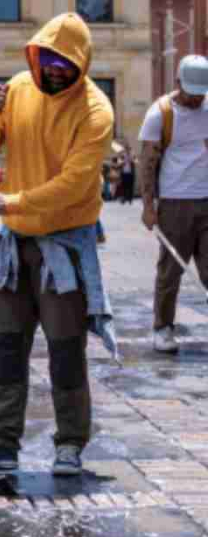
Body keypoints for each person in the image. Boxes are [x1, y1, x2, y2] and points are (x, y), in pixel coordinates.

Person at [0, 13, 115, 477]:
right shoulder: (19, 88)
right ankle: (1, 442)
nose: (55, 71)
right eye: (48, 61)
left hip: (63, 246)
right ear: (36, 56)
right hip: (14, 240)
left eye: (65, 65)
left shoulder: (95, 112)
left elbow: (74, 184)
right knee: (5, 345)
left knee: (65, 349)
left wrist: (11, 200)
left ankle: (69, 443)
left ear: (81, 65)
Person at [139, 54, 208, 353]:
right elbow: (148, 162)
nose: (196, 98)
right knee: (170, 271)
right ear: (178, 82)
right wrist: (148, 206)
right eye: (191, 92)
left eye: (201, 92)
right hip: (175, 202)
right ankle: (163, 328)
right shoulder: (161, 113)